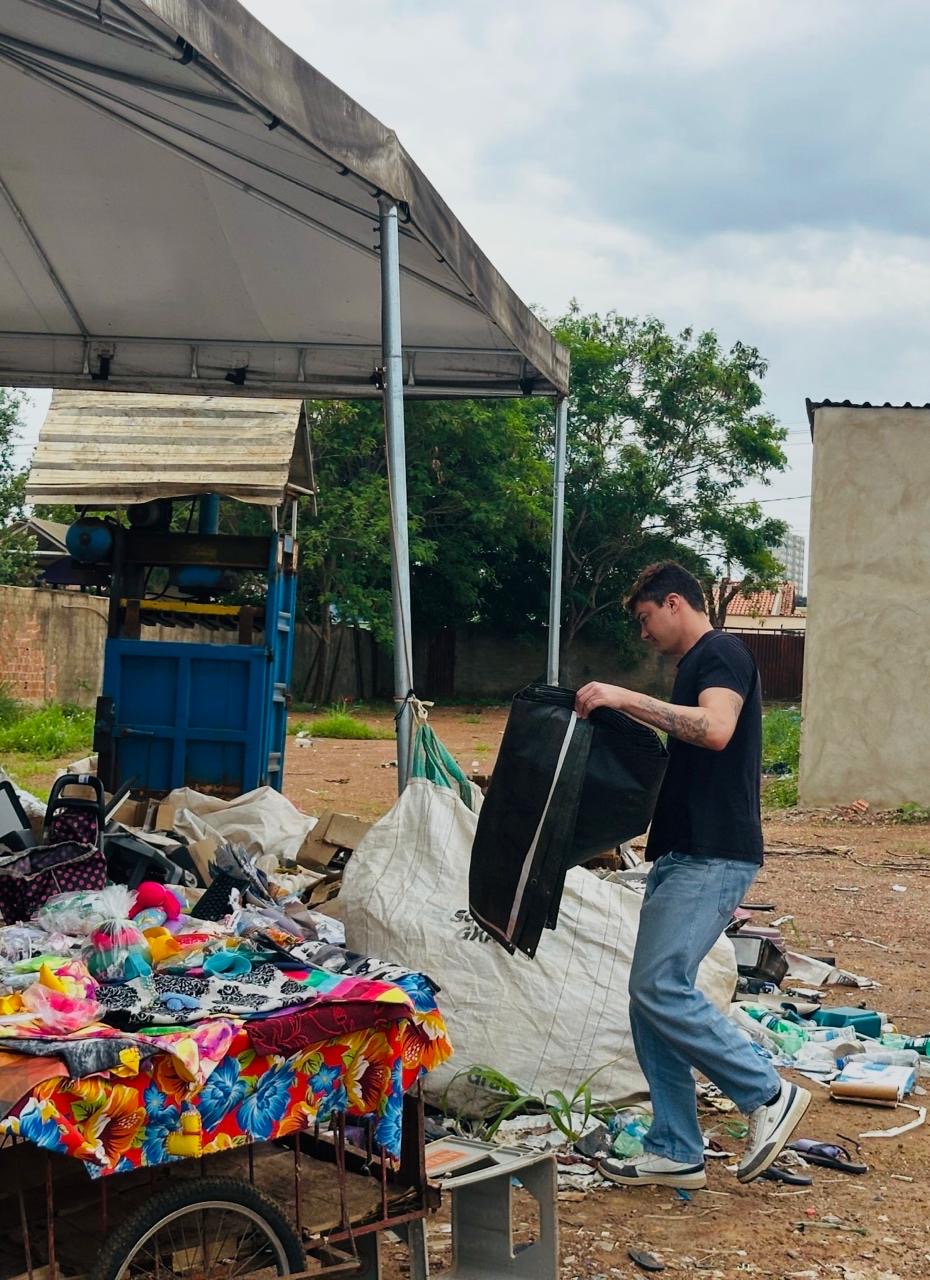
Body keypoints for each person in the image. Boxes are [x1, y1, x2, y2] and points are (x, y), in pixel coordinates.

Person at [574, 561, 809, 1189]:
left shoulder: (720, 653)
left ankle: (767, 1093)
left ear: (674, 602)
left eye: (645, 618)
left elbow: (715, 729)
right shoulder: (694, 665)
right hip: (683, 854)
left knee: (658, 985)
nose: (643, 633)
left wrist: (624, 697)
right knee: (649, 999)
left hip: (714, 853)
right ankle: (676, 1147)